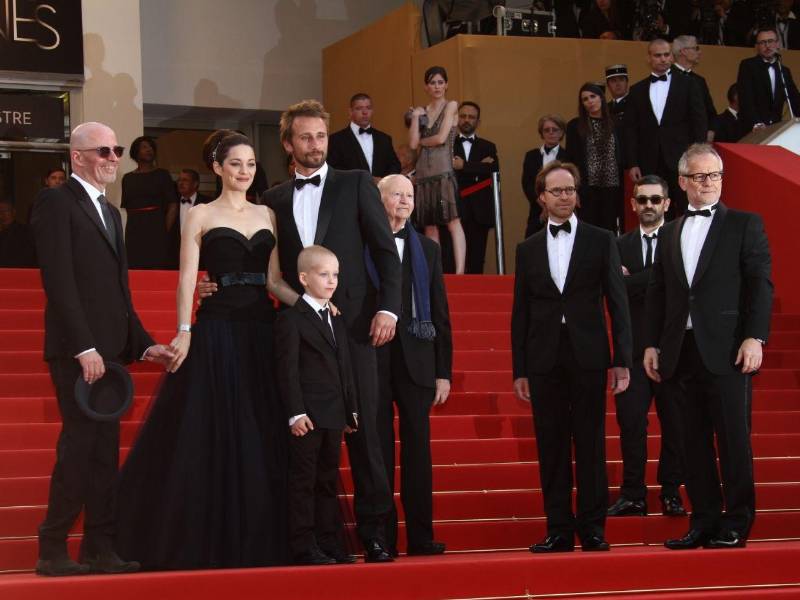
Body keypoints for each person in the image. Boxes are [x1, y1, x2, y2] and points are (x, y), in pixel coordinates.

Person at [115, 130, 297, 570]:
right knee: (215, 433)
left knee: (264, 432)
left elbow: (273, 282)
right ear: (217, 168)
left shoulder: (268, 214)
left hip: (262, 330)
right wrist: (184, 329)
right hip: (218, 332)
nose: (245, 172)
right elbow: (185, 278)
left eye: (251, 164)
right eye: (236, 164)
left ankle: (269, 536)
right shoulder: (198, 215)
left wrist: (314, 307)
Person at [30, 122, 174, 576]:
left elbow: (118, 293)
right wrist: (84, 347)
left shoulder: (112, 213)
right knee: (80, 449)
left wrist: (145, 345)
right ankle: (51, 550)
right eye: (104, 150)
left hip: (109, 354)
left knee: (104, 452)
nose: (114, 157)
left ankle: (98, 547)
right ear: (77, 157)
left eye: (117, 150)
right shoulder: (56, 202)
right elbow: (59, 282)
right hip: (80, 355)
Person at [260, 99, 401, 563]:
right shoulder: (275, 200)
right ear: (288, 144)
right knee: (314, 443)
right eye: (305, 137)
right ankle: (319, 538)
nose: (315, 145)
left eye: (320, 136)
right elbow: (273, 269)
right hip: (306, 338)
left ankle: (376, 533)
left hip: (358, 330)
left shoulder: (356, 184)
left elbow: (386, 253)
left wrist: (390, 311)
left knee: (366, 436)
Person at [644, 143, 773, 550]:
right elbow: (659, 291)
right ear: (682, 182)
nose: (709, 183)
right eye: (700, 176)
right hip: (679, 350)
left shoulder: (744, 224)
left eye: (715, 175)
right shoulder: (669, 232)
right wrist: (650, 343)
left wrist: (755, 336)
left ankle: (736, 522)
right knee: (691, 442)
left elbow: (759, 285)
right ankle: (703, 520)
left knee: (733, 439)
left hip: (727, 348)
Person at [511, 161, 632, 553]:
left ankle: (593, 528)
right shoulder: (527, 248)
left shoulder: (601, 240)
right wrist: (521, 369)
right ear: (541, 198)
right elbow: (521, 312)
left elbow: (618, 302)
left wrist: (622, 359)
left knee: (591, 443)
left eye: (570, 190)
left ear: (577, 195)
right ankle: (559, 529)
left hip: (589, 355)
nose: (564, 197)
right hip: (544, 358)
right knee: (551, 445)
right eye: (556, 191)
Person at [373, 174, 452, 557]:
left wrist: (443, 371)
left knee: (418, 454)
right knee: (378, 452)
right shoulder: (361, 243)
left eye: (409, 195)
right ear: (380, 199)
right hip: (373, 358)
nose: (404, 201)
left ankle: (421, 536)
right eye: (397, 194)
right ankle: (380, 538)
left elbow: (440, 312)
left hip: (418, 361)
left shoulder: (428, 249)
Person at [275, 245, 359, 566]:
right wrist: (295, 412)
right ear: (303, 278)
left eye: (335, 274)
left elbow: (345, 367)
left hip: (335, 414)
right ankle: (303, 545)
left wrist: (350, 409)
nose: (331, 280)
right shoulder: (291, 319)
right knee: (304, 482)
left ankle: (329, 543)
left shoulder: (336, 317)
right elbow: (288, 370)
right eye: (324, 274)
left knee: (327, 481)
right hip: (307, 416)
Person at [608, 174, 685, 518]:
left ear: (667, 204)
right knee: (631, 424)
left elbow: (680, 288)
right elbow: (613, 293)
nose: (649, 206)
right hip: (632, 352)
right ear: (633, 204)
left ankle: (671, 492)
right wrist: (657, 276)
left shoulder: (683, 241)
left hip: (675, 351)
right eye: (643, 200)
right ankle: (633, 493)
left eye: (656, 200)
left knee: (677, 425)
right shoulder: (618, 246)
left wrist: (633, 279)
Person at [624, 39, 707, 217]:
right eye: (657, 55)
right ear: (649, 58)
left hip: (682, 158)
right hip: (650, 160)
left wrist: (697, 155)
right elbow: (630, 129)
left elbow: (699, 121)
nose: (663, 59)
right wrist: (632, 163)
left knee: (687, 205)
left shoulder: (689, 84)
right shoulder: (637, 90)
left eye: (666, 54)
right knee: (655, 207)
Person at [408, 66, 467, 275]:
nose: (437, 87)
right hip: (424, 172)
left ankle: (459, 272)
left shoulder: (451, 105)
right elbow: (413, 144)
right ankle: (437, 273)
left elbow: (441, 138)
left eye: (441, 82)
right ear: (426, 86)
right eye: (432, 83)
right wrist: (415, 117)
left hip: (444, 171)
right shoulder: (422, 110)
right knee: (430, 226)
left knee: (453, 221)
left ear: (447, 84)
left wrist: (424, 141)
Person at [565, 82, 624, 234]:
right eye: (585, 99)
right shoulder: (575, 126)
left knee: (610, 229)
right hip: (587, 188)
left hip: (612, 187)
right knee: (588, 230)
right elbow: (570, 161)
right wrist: (574, 190)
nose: (590, 101)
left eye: (593, 96)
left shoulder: (616, 123)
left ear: (602, 98)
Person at [453, 101, 499, 274]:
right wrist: (478, 167)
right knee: (452, 261)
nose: (466, 120)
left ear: (478, 122)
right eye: (463, 116)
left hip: (479, 212)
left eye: (471, 117)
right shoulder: (447, 145)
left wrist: (463, 165)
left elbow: (493, 169)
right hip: (454, 210)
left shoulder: (488, 146)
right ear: (457, 119)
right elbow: (448, 170)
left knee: (476, 261)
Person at [121, 135, 178, 269]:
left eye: (151, 147)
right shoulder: (127, 178)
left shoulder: (162, 174)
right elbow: (128, 208)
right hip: (134, 229)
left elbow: (173, 205)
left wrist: (163, 230)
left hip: (156, 226)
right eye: (144, 147)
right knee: (134, 267)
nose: (149, 150)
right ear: (136, 152)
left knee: (157, 267)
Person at [736, 26, 800, 133]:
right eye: (762, 42)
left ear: (778, 44)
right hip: (753, 128)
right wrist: (756, 122)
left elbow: (793, 98)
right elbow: (746, 97)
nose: (767, 46)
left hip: (775, 128)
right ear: (756, 47)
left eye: (770, 41)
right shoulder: (748, 65)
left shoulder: (784, 70)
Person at [327, 93, 402, 182]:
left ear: (372, 111)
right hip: (352, 192)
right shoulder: (336, 140)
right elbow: (334, 169)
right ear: (350, 112)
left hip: (380, 192)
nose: (365, 112)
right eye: (359, 108)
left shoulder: (384, 139)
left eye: (368, 108)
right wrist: (363, 180)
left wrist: (384, 181)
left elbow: (395, 165)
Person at [521, 115, 567, 238]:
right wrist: (544, 205)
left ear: (561, 132)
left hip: (562, 209)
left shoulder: (568, 156)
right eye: (547, 130)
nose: (551, 133)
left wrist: (552, 207)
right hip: (537, 210)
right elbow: (527, 184)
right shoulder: (531, 155)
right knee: (533, 246)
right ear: (541, 133)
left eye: (555, 129)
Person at [671, 35, 717, 141]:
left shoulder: (700, 81)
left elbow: (711, 112)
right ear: (683, 51)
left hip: (698, 142)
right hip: (672, 143)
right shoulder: (667, 78)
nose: (699, 52)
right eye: (696, 48)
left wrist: (711, 130)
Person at [0, 201, 36, 267]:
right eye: (0, 212)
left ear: (13, 212)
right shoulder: (2, 234)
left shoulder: (25, 231)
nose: (2, 215)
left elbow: (28, 257)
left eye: (5, 211)